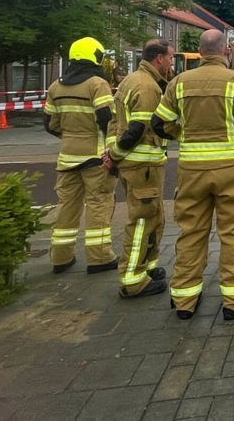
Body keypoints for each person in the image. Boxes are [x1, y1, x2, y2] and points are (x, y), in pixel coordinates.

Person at [151, 29, 234, 320]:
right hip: (231, 171)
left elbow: (158, 123)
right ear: (226, 52)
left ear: (200, 52)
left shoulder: (178, 82)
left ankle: (184, 300)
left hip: (191, 172)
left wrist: (183, 134)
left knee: (191, 233)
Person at [103, 39, 174, 299]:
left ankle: (148, 267)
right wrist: (115, 155)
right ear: (159, 58)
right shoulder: (147, 87)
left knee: (155, 217)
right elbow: (137, 128)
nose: (172, 62)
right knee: (142, 221)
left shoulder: (130, 81)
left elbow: (113, 122)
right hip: (142, 165)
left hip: (140, 165)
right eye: (170, 57)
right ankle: (132, 279)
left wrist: (112, 154)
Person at [44, 37, 118, 274]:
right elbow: (108, 120)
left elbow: (50, 124)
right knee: (98, 204)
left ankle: (60, 258)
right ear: (95, 57)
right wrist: (113, 151)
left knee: (66, 206)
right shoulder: (97, 84)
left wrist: (70, 139)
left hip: (67, 157)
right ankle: (99, 258)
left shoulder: (56, 86)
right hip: (95, 158)